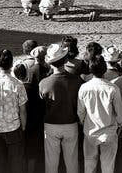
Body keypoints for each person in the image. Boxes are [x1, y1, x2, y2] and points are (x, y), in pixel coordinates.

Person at [39, 44, 84, 173]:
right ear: (65, 61)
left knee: (51, 162)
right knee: (72, 161)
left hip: (51, 124)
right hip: (71, 123)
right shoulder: (77, 81)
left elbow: (43, 104)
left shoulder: (44, 83)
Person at [77, 55, 122, 173]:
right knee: (108, 167)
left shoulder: (84, 88)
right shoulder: (113, 88)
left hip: (90, 131)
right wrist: (119, 124)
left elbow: (81, 112)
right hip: (109, 132)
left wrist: (83, 123)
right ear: (104, 70)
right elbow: (120, 115)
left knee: (89, 166)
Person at [0, 49, 27, 173]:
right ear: (12, 64)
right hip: (13, 128)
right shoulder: (18, 84)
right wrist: (23, 127)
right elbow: (23, 110)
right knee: (16, 164)